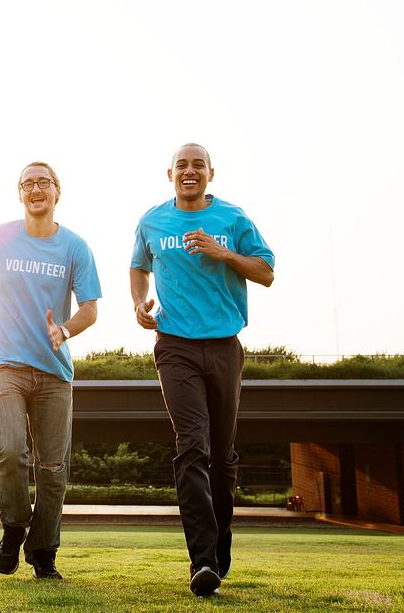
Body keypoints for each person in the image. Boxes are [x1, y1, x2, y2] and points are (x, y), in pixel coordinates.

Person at [129, 143, 274, 596]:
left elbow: (266, 271)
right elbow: (138, 267)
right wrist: (139, 303)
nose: (189, 171)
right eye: (182, 165)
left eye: (198, 165)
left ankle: (219, 546)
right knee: (191, 446)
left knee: (221, 455)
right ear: (169, 173)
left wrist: (223, 253)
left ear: (211, 173)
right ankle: (203, 561)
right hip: (174, 347)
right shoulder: (152, 221)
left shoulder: (233, 219)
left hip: (224, 345)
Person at [0, 162, 101, 580]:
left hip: (55, 373)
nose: (35, 188)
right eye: (27, 183)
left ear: (58, 191)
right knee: (9, 449)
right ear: (19, 193)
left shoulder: (75, 247)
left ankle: (43, 553)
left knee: (53, 469)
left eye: (43, 182)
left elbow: (90, 308)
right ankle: (14, 526)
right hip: (3, 365)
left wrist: (66, 329)